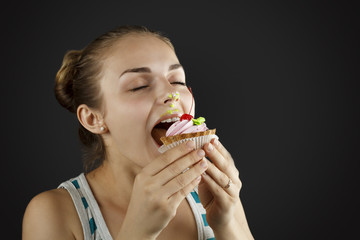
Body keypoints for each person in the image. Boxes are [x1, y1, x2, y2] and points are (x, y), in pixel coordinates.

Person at [22, 25, 254, 240]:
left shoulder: (209, 192)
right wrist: (137, 232)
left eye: (177, 80)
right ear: (93, 119)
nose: (170, 93)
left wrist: (225, 223)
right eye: (139, 85)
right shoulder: (54, 212)